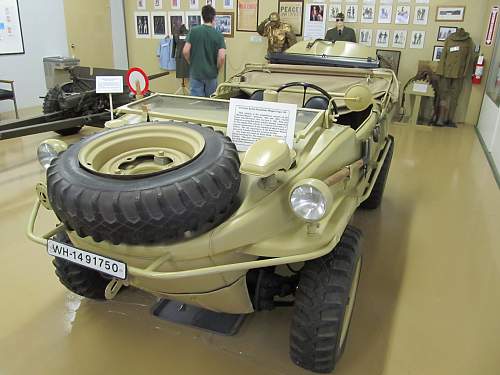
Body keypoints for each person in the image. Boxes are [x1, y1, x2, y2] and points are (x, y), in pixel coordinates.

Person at [182, 5, 226, 97]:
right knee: (210, 103)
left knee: (196, 104)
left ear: (202, 17)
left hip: (196, 73)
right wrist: (217, 68)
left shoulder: (193, 31)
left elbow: (185, 51)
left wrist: (191, 62)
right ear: (213, 18)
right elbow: (222, 57)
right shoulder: (218, 34)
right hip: (211, 74)